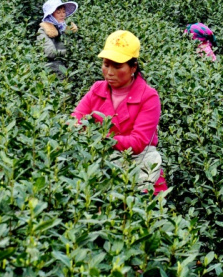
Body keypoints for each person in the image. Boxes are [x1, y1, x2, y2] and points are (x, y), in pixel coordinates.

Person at [72, 31, 168, 195]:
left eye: (117, 66)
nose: (109, 72)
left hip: (138, 174)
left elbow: (137, 142)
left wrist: (97, 138)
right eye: (106, 64)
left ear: (133, 67)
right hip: (100, 170)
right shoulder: (97, 89)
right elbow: (75, 119)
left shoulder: (148, 96)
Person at [37, 0, 78, 75]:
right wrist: (67, 52)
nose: (62, 15)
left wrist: (73, 31)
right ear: (50, 15)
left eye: (63, 12)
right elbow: (49, 53)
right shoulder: (43, 31)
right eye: (58, 12)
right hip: (52, 66)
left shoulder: (62, 27)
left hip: (64, 63)